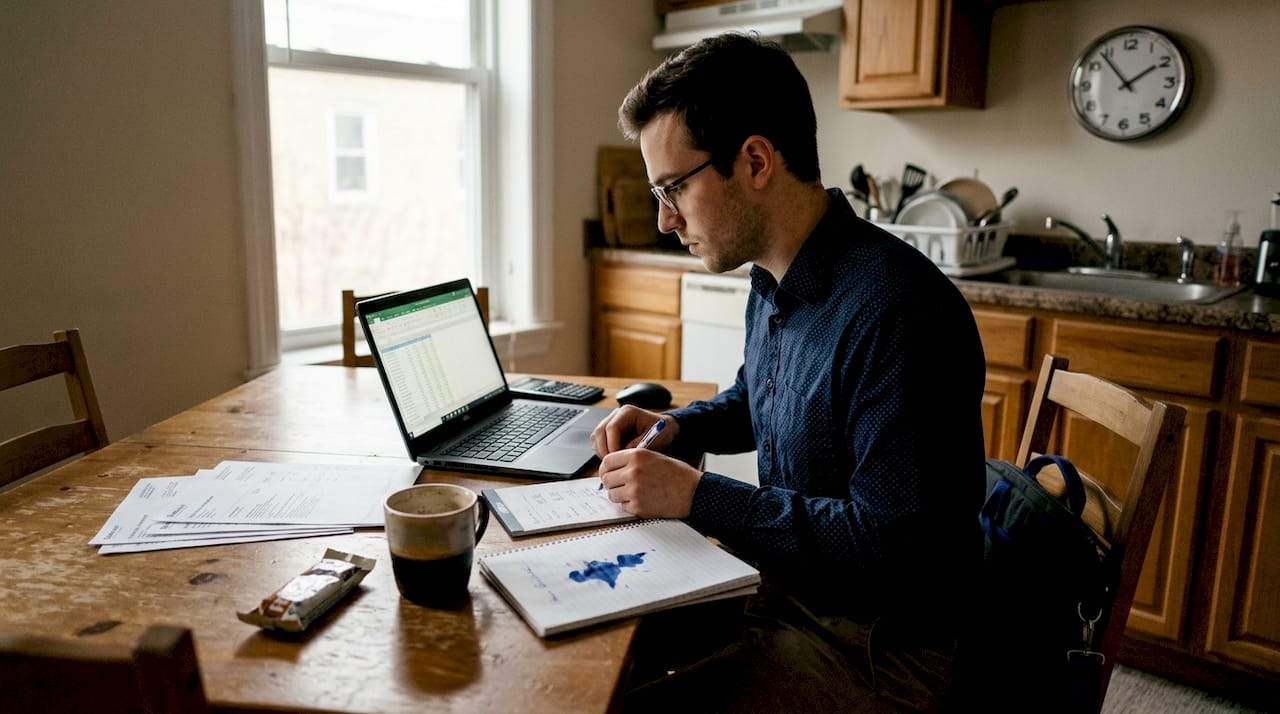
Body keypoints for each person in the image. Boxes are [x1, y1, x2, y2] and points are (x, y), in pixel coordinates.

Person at [590, 32, 988, 712]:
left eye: (673, 187)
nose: (662, 220)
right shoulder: (776, 276)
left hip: (884, 649)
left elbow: (892, 544)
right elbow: (759, 396)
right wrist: (676, 426)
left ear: (754, 161)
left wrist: (698, 496)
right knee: (598, 653)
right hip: (792, 589)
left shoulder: (896, 311)